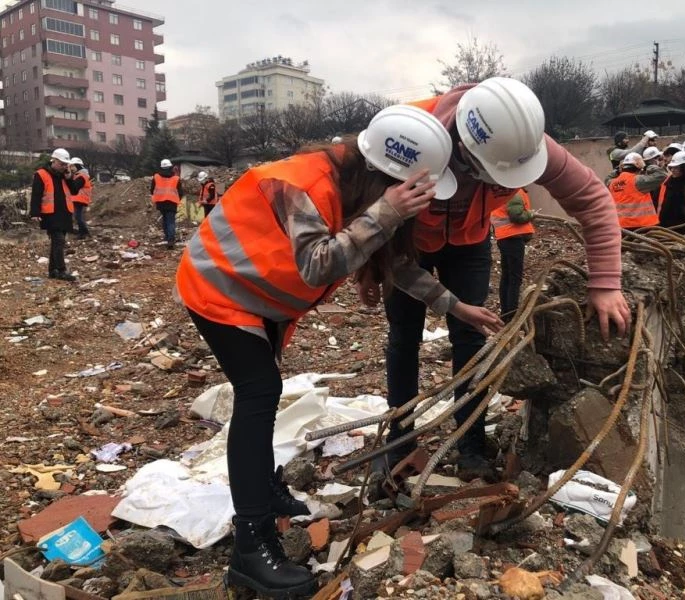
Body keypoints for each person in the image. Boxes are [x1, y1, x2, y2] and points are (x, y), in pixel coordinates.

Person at [175, 104, 501, 598]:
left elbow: (397, 263)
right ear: (383, 175)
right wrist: (387, 211)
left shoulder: (358, 192)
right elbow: (317, 264)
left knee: (264, 392)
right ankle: (251, 547)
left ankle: (264, 490)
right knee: (259, 394)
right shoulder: (301, 185)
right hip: (220, 288)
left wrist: (458, 308)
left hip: (259, 295)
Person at [361, 78, 630, 481]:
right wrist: (371, 268)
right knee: (404, 337)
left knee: (470, 338)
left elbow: (592, 197)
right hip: (407, 244)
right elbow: (369, 216)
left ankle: (469, 445)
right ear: (465, 150)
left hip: (468, 242)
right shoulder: (407, 134)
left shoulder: (517, 137)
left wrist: (606, 281)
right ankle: (398, 441)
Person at [29, 148, 81, 281]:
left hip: (64, 213)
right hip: (50, 214)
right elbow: (36, 194)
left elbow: (75, 191)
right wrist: (35, 212)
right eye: (62, 164)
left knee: (57, 242)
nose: (64, 167)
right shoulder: (41, 174)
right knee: (59, 241)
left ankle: (52, 271)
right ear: (54, 160)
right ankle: (62, 270)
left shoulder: (65, 175)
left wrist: (69, 178)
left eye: (66, 164)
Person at [490, 188, 535, 322]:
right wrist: (531, 214)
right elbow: (516, 216)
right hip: (513, 238)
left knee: (507, 277)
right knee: (515, 278)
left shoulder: (502, 191)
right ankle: (511, 315)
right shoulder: (515, 192)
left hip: (504, 237)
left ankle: (506, 313)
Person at [607, 152, 665, 228]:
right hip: (643, 225)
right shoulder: (638, 181)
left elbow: (607, 179)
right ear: (638, 167)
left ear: (623, 167)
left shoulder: (612, 183)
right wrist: (645, 166)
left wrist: (617, 170)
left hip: (622, 227)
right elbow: (662, 175)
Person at [150, 158, 182, 249]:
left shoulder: (156, 177)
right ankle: (170, 240)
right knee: (171, 221)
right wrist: (177, 199)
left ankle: (167, 237)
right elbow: (180, 192)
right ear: (170, 167)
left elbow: (152, 190)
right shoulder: (176, 178)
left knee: (165, 220)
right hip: (172, 202)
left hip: (160, 202)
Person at [68, 157, 92, 239]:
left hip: (80, 198)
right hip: (78, 198)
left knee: (78, 216)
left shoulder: (81, 176)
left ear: (77, 166)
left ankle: (84, 233)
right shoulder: (78, 175)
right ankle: (82, 232)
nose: (71, 168)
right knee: (77, 216)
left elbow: (74, 187)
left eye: (72, 166)